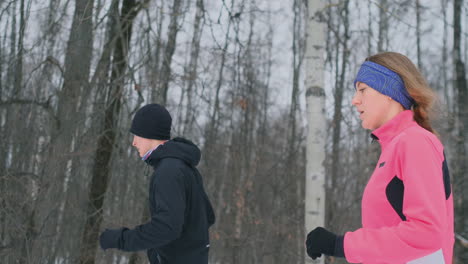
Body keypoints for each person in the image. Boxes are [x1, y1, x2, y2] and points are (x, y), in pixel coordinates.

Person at [305, 52, 454, 263]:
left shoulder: (414, 142)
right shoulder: (394, 148)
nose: (355, 100)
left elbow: (427, 232)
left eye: (363, 90)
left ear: (389, 92)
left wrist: (340, 244)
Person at [99, 103, 215, 264]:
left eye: (136, 135)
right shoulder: (182, 167)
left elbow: (167, 228)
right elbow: (208, 216)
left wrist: (120, 239)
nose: (133, 142)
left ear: (149, 134)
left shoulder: (168, 172)